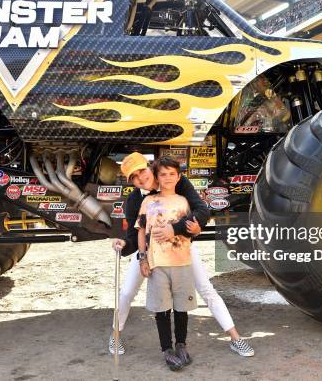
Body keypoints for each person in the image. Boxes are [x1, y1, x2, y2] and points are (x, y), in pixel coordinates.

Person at [109, 152, 254, 357]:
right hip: (151, 254)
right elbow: (135, 235)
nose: (141, 178)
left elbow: (201, 211)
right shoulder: (134, 200)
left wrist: (176, 229)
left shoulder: (175, 180)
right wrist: (124, 243)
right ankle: (115, 336)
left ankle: (236, 338)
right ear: (130, 181)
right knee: (126, 293)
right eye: (134, 177)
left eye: (141, 170)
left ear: (150, 167)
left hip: (180, 250)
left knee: (206, 289)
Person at [136, 157, 196, 370]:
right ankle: (166, 349)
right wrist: (142, 258)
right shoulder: (148, 202)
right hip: (157, 264)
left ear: (178, 177)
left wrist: (196, 229)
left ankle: (181, 344)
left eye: (172, 174)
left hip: (182, 262)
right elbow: (142, 231)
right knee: (162, 309)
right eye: (163, 174)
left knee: (182, 308)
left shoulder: (184, 202)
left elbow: (192, 230)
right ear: (156, 177)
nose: (167, 178)